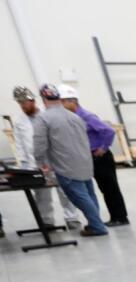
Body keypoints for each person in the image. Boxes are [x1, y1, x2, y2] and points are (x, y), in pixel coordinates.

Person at [31, 84, 107, 237]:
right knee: (89, 195)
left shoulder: (44, 118)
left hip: (66, 166)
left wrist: (41, 163)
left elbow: (39, 143)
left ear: (43, 98)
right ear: (58, 97)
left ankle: (98, 227)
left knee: (79, 197)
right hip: (85, 162)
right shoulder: (75, 116)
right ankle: (94, 223)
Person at [10, 85, 84, 229]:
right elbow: (20, 145)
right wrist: (24, 164)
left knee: (64, 190)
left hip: (56, 160)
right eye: (20, 103)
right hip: (35, 163)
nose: (23, 106)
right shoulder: (19, 121)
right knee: (41, 195)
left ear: (33, 101)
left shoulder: (47, 115)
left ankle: (72, 218)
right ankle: (47, 221)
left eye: (25, 102)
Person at [60, 85, 130, 226]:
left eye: (63, 102)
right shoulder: (73, 117)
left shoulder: (86, 116)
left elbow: (108, 131)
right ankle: (109, 217)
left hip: (100, 158)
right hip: (89, 157)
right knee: (100, 188)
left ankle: (120, 217)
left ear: (72, 101)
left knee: (109, 188)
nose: (61, 105)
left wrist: (103, 148)